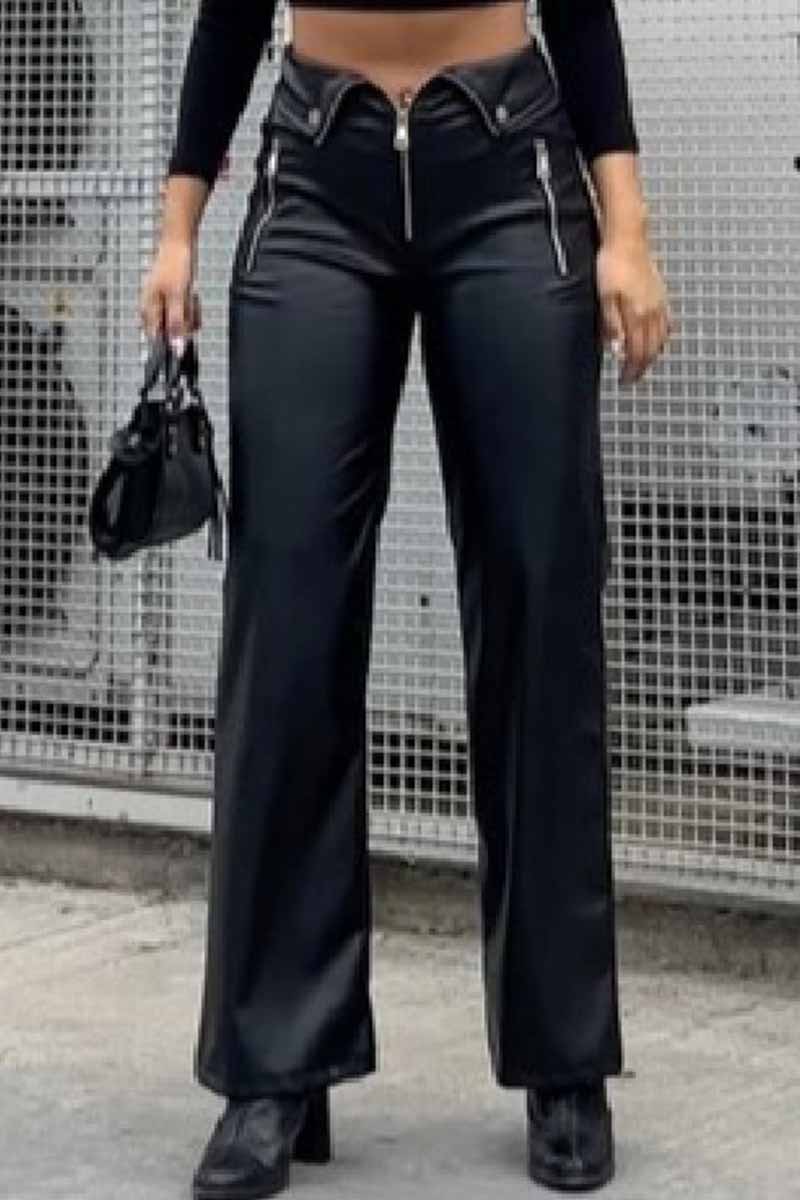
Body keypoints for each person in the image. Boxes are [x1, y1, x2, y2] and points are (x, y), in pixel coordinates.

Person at [140, 1, 673, 1195]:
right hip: (314, 178)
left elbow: (578, 11)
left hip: (507, 170)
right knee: (285, 622)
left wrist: (626, 230)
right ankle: (274, 1066)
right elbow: (228, 17)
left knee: (539, 603)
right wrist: (176, 230)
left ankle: (562, 1059)